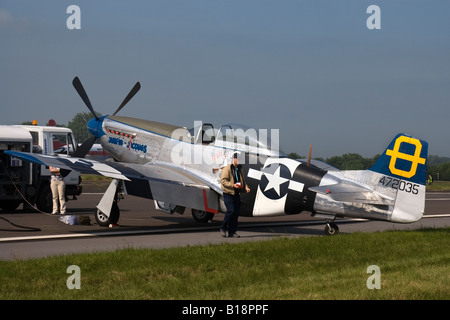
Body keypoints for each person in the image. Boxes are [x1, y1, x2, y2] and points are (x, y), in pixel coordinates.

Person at [220, 153, 250, 238]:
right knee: (231, 211)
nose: (240, 161)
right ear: (234, 159)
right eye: (239, 159)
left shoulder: (240, 169)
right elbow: (223, 181)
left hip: (236, 194)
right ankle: (223, 228)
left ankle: (232, 232)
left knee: (236, 214)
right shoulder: (227, 169)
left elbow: (242, 181)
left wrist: (246, 188)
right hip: (228, 194)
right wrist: (233, 185)